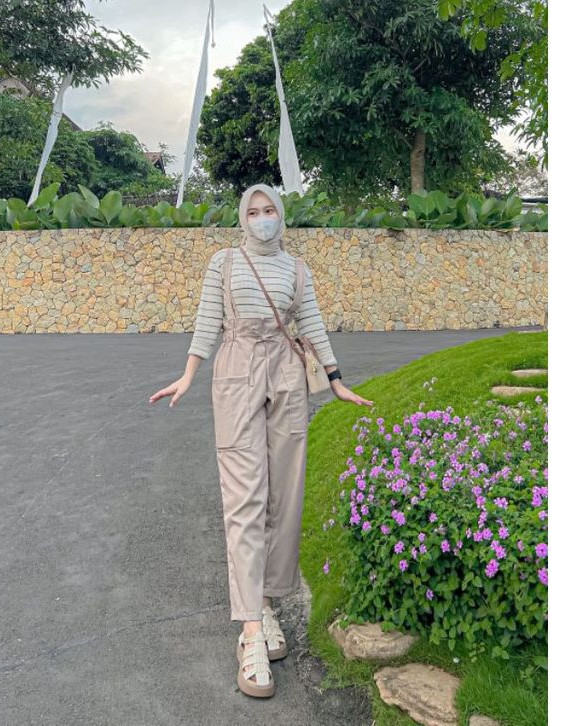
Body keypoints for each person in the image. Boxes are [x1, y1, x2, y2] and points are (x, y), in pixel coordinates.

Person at [149, 183, 373, 698]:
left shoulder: (297, 269)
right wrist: (188, 374)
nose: (262, 218)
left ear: (281, 214)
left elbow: (311, 322)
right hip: (237, 369)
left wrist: (336, 379)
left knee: (284, 496)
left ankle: (267, 602)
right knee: (245, 496)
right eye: (253, 211)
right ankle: (250, 628)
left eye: (269, 209)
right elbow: (207, 321)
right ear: (242, 218)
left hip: (287, 372)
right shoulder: (224, 263)